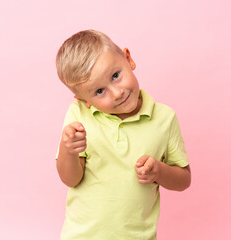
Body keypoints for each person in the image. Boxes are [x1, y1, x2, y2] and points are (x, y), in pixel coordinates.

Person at [55, 29, 191, 240]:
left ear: (128, 59)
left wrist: (160, 171)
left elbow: (184, 179)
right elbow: (71, 179)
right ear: (84, 100)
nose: (117, 93)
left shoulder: (164, 118)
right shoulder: (78, 114)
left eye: (116, 76)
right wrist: (69, 150)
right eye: (99, 91)